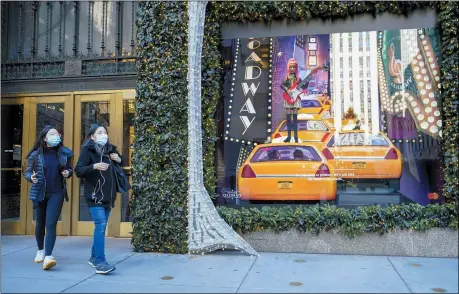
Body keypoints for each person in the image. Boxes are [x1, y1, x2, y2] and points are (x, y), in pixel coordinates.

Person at [75, 124, 122, 274]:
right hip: (94, 195)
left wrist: (119, 159)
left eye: (105, 132)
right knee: (100, 225)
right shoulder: (87, 150)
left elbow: (122, 164)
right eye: (99, 132)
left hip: (108, 195)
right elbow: (78, 170)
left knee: (101, 226)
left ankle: (94, 257)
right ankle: (101, 262)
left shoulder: (111, 149)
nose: (104, 134)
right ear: (93, 136)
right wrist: (93, 166)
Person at [24, 125, 73, 270]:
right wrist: (30, 177)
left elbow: (69, 169)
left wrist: (68, 173)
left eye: (57, 134)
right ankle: (40, 250)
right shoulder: (36, 154)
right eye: (52, 134)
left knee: (51, 224)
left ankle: (48, 256)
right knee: (40, 222)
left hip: (57, 192)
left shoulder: (65, 152)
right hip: (40, 192)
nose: (55, 136)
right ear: (45, 138)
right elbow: (27, 172)